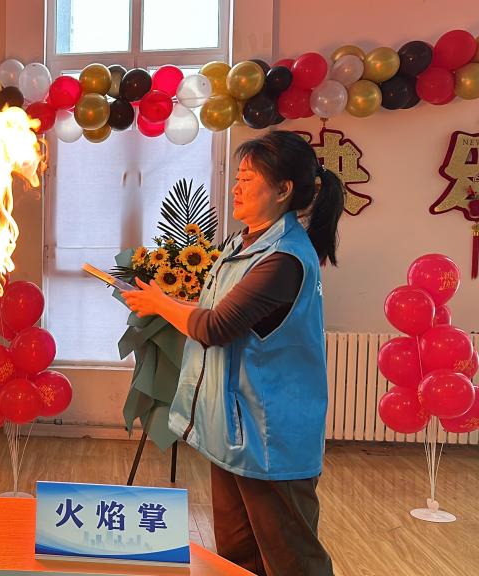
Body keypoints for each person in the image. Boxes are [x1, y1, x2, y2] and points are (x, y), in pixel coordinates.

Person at [122, 130, 344, 576]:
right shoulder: (240, 246)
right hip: (232, 430)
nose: (236, 188)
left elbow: (215, 327)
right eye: (237, 177)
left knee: (291, 560)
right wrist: (160, 301)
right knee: (238, 558)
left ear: (283, 190)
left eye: (248, 179)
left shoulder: (282, 259)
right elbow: (212, 310)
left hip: (269, 437)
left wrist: (161, 304)